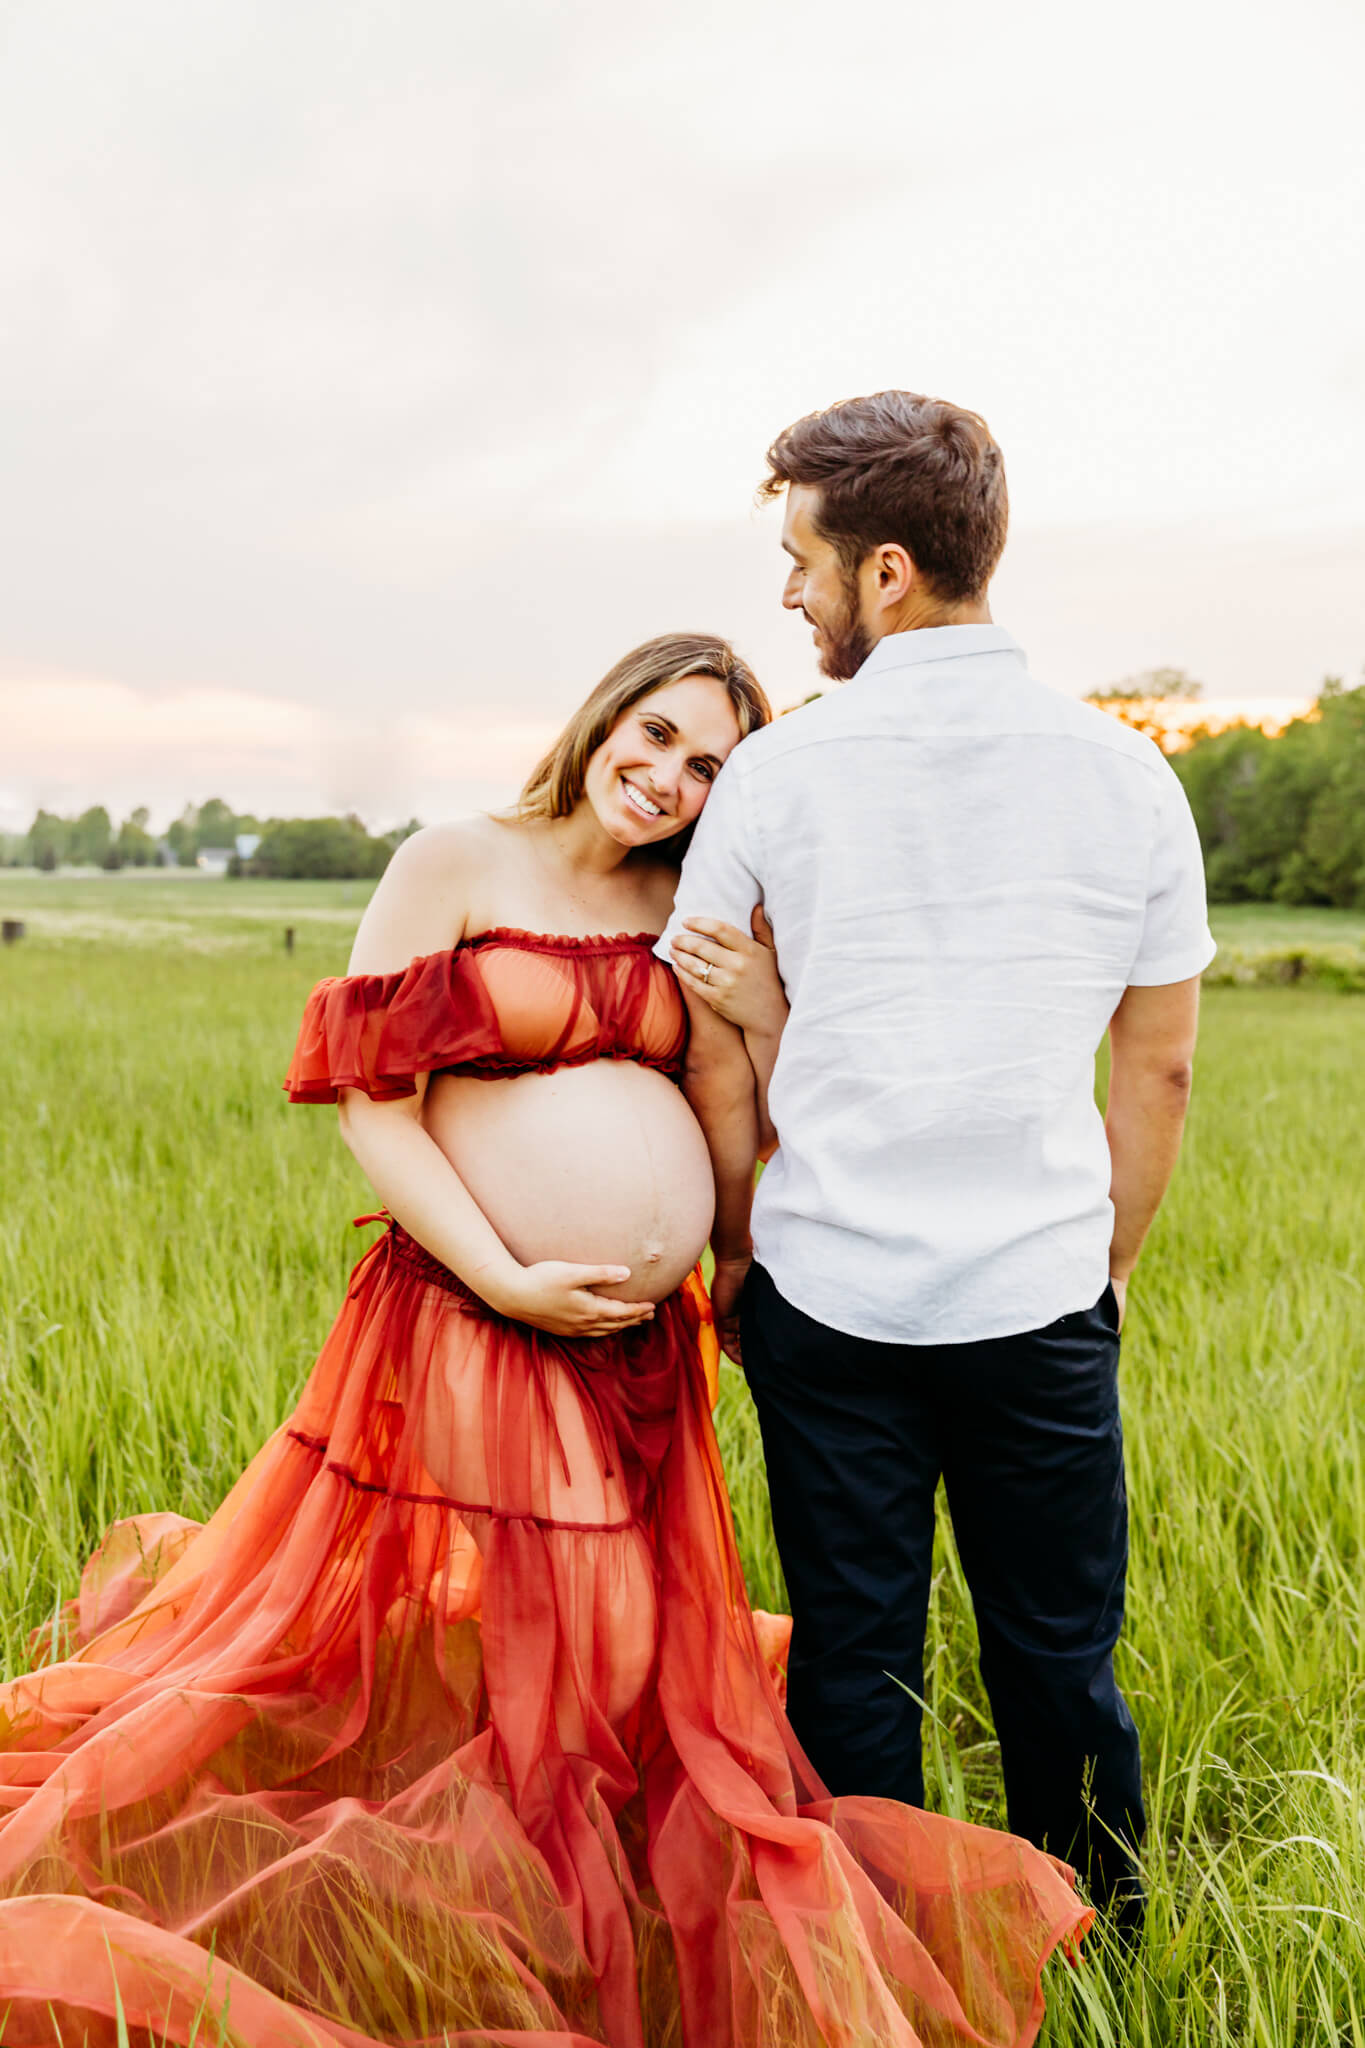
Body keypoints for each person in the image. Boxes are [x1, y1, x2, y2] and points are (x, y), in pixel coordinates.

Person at [0, 629, 1086, 2045]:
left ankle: (557, 1900)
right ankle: (540, 1934)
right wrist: (504, 1274)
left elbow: (727, 1096)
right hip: (470, 1312)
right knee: (576, 1631)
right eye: (655, 736)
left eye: (707, 765)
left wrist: (745, 1236)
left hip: (638, 1340)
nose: (669, 777)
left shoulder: (686, 901)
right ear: (602, 719)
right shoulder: (455, 861)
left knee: (608, 1653)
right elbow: (372, 1102)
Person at [664, 392, 1215, 1934]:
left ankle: (871, 1963)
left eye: (803, 560)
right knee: (1056, 1652)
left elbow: (714, 1035)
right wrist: (1098, 1265)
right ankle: (1099, 1939)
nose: (789, 592)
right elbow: (1154, 1062)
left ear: (886, 571)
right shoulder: (1128, 777)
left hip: (826, 1295)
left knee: (853, 1652)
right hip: (1037, 1297)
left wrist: (735, 1246)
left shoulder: (778, 778)